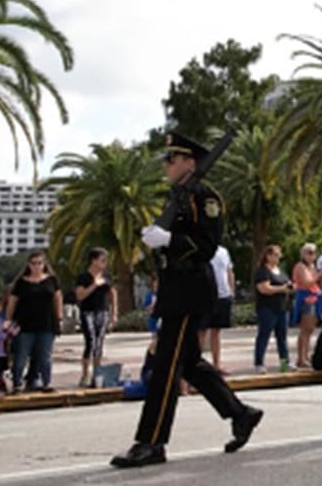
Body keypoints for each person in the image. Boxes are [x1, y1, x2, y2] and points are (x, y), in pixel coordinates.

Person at [111, 133, 262, 469]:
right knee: (189, 362)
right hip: (175, 289)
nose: (165, 165)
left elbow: (206, 246)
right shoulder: (179, 197)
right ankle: (240, 413)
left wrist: (169, 239)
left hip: (190, 290)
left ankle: (151, 442)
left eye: (172, 158)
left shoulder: (205, 198)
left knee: (165, 367)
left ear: (190, 163)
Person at [6, 250, 62, 393]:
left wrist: (59, 318)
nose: (37, 266)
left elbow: (57, 299)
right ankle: (17, 383)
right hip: (24, 324)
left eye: (40, 263)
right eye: (34, 263)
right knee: (21, 355)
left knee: (45, 356)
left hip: (46, 323)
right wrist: (8, 320)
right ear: (28, 265)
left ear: (44, 264)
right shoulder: (21, 282)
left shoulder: (51, 280)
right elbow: (12, 302)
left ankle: (46, 382)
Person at [74, 247, 118, 388]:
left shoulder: (107, 276)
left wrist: (114, 313)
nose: (105, 263)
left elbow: (112, 293)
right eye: (102, 260)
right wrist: (94, 285)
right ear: (93, 261)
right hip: (88, 312)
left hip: (103, 311)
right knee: (90, 341)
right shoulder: (83, 277)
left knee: (99, 342)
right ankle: (85, 374)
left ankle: (97, 374)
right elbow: (80, 295)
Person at [253, 244, 293, 374]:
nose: (278, 257)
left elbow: (287, 283)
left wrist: (290, 288)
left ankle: (284, 364)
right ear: (268, 256)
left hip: (282, 308)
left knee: (282, 337)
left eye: (279, 255)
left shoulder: (280, 271)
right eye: (275, 254)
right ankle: (259, 363)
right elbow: (264, 289)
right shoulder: (262, 271)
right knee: (264, 336)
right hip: (267, 309)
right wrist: (281, 289)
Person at [292, 243, 322, 369]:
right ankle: (301, 358)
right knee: (305, 329)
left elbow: (317, 283)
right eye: (309, 252)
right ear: (303, 254)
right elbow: (306, 283)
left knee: (310, 329)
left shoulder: (312, 267)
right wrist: (318, 275)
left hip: (315, 298)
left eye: (314, 253)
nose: (312, 255)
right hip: (306, 299)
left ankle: (305, 356)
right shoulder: (300, 266)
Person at [205, 244, 234, 372]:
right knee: (201, 331)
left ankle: (216, 364)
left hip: (223, 296)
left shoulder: (223, 251)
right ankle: (195, 366)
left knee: (216, 331)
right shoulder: (202, 249)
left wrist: (231, 291)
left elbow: (229, 271)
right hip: (206, 296)